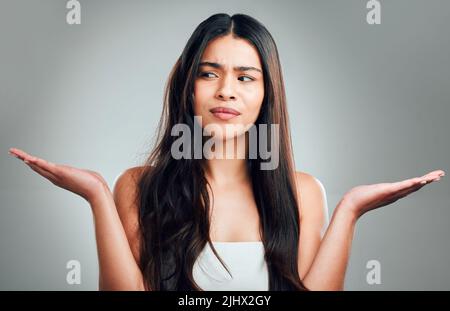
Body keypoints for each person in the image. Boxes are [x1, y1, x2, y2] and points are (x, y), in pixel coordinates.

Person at [8, 13, 445, 291]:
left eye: (245, 77)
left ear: (265, 95)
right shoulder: (138, 187)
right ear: (188, 88)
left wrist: (350, 211)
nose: (225, 91)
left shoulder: (304, 193)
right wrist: (98, 195)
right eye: (209, 73)